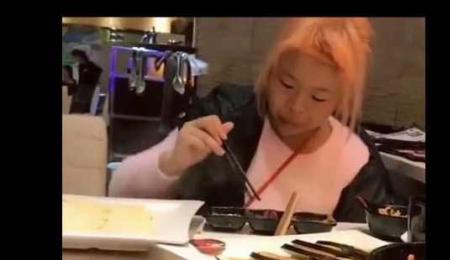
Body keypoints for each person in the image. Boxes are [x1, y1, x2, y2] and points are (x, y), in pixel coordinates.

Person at [109, 18, 396, 222]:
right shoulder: (227, 113)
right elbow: (119, 190)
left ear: (340, 100)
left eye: (318, 98)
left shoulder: (354, 157)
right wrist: (172, 162)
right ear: (270, 73)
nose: (296, 107)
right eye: (287, 84)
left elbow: (371, 251)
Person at [70, 49, 102, 114]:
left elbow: (99, 70)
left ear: (79, 56)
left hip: (88, 87)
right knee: (79, 104)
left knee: (85, 105)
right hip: (81, 87)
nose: (74, 58)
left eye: (75, 57)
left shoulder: (90, 65)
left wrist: (93, 79)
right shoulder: (79, 66)